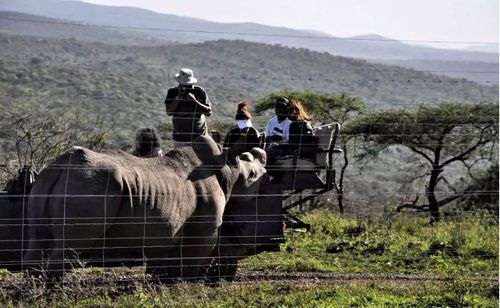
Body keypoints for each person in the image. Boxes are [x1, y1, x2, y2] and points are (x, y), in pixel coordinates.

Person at [164, 68, 212, 147]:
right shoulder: (172, 92)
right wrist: (178, 97)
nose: (185, 88)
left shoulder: (199, 92)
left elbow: (208, 112)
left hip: (199, 138)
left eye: (188, 86)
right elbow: (169, 112)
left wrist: (194, 101)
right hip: (180, 139)